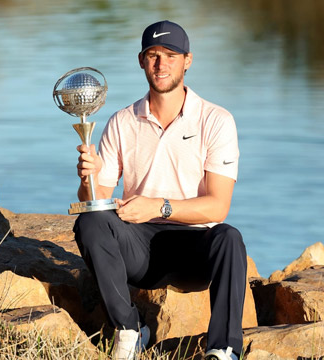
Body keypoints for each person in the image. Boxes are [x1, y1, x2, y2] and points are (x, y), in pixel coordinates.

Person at [73, 20, 246, 360]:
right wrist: (87, 177)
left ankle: (222, 350)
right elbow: (94, 201)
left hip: (194, 248)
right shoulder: (122, 121)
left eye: (171, 55)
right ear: (141, 61)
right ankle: (128, 331)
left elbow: (217, 206)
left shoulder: (216, 120)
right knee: (90, 222)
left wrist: (159, 207)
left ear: (188, 60)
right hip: (138, 247)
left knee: (230, 237)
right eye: (153, 55)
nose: (161, 64)